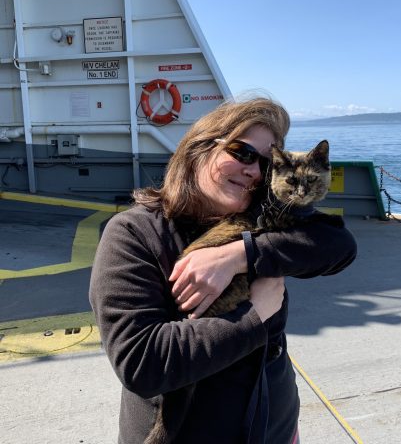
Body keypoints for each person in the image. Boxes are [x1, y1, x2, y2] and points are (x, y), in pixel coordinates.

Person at [89, 97, 357, 444]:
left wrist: (242, 253)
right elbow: (143, 364)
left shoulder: (265, 219)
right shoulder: (134, 234)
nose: (255, 172)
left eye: (266, 163)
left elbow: (339, 246)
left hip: (273, 426)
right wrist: (254, 315)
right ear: (200, 149)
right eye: (243, 153)